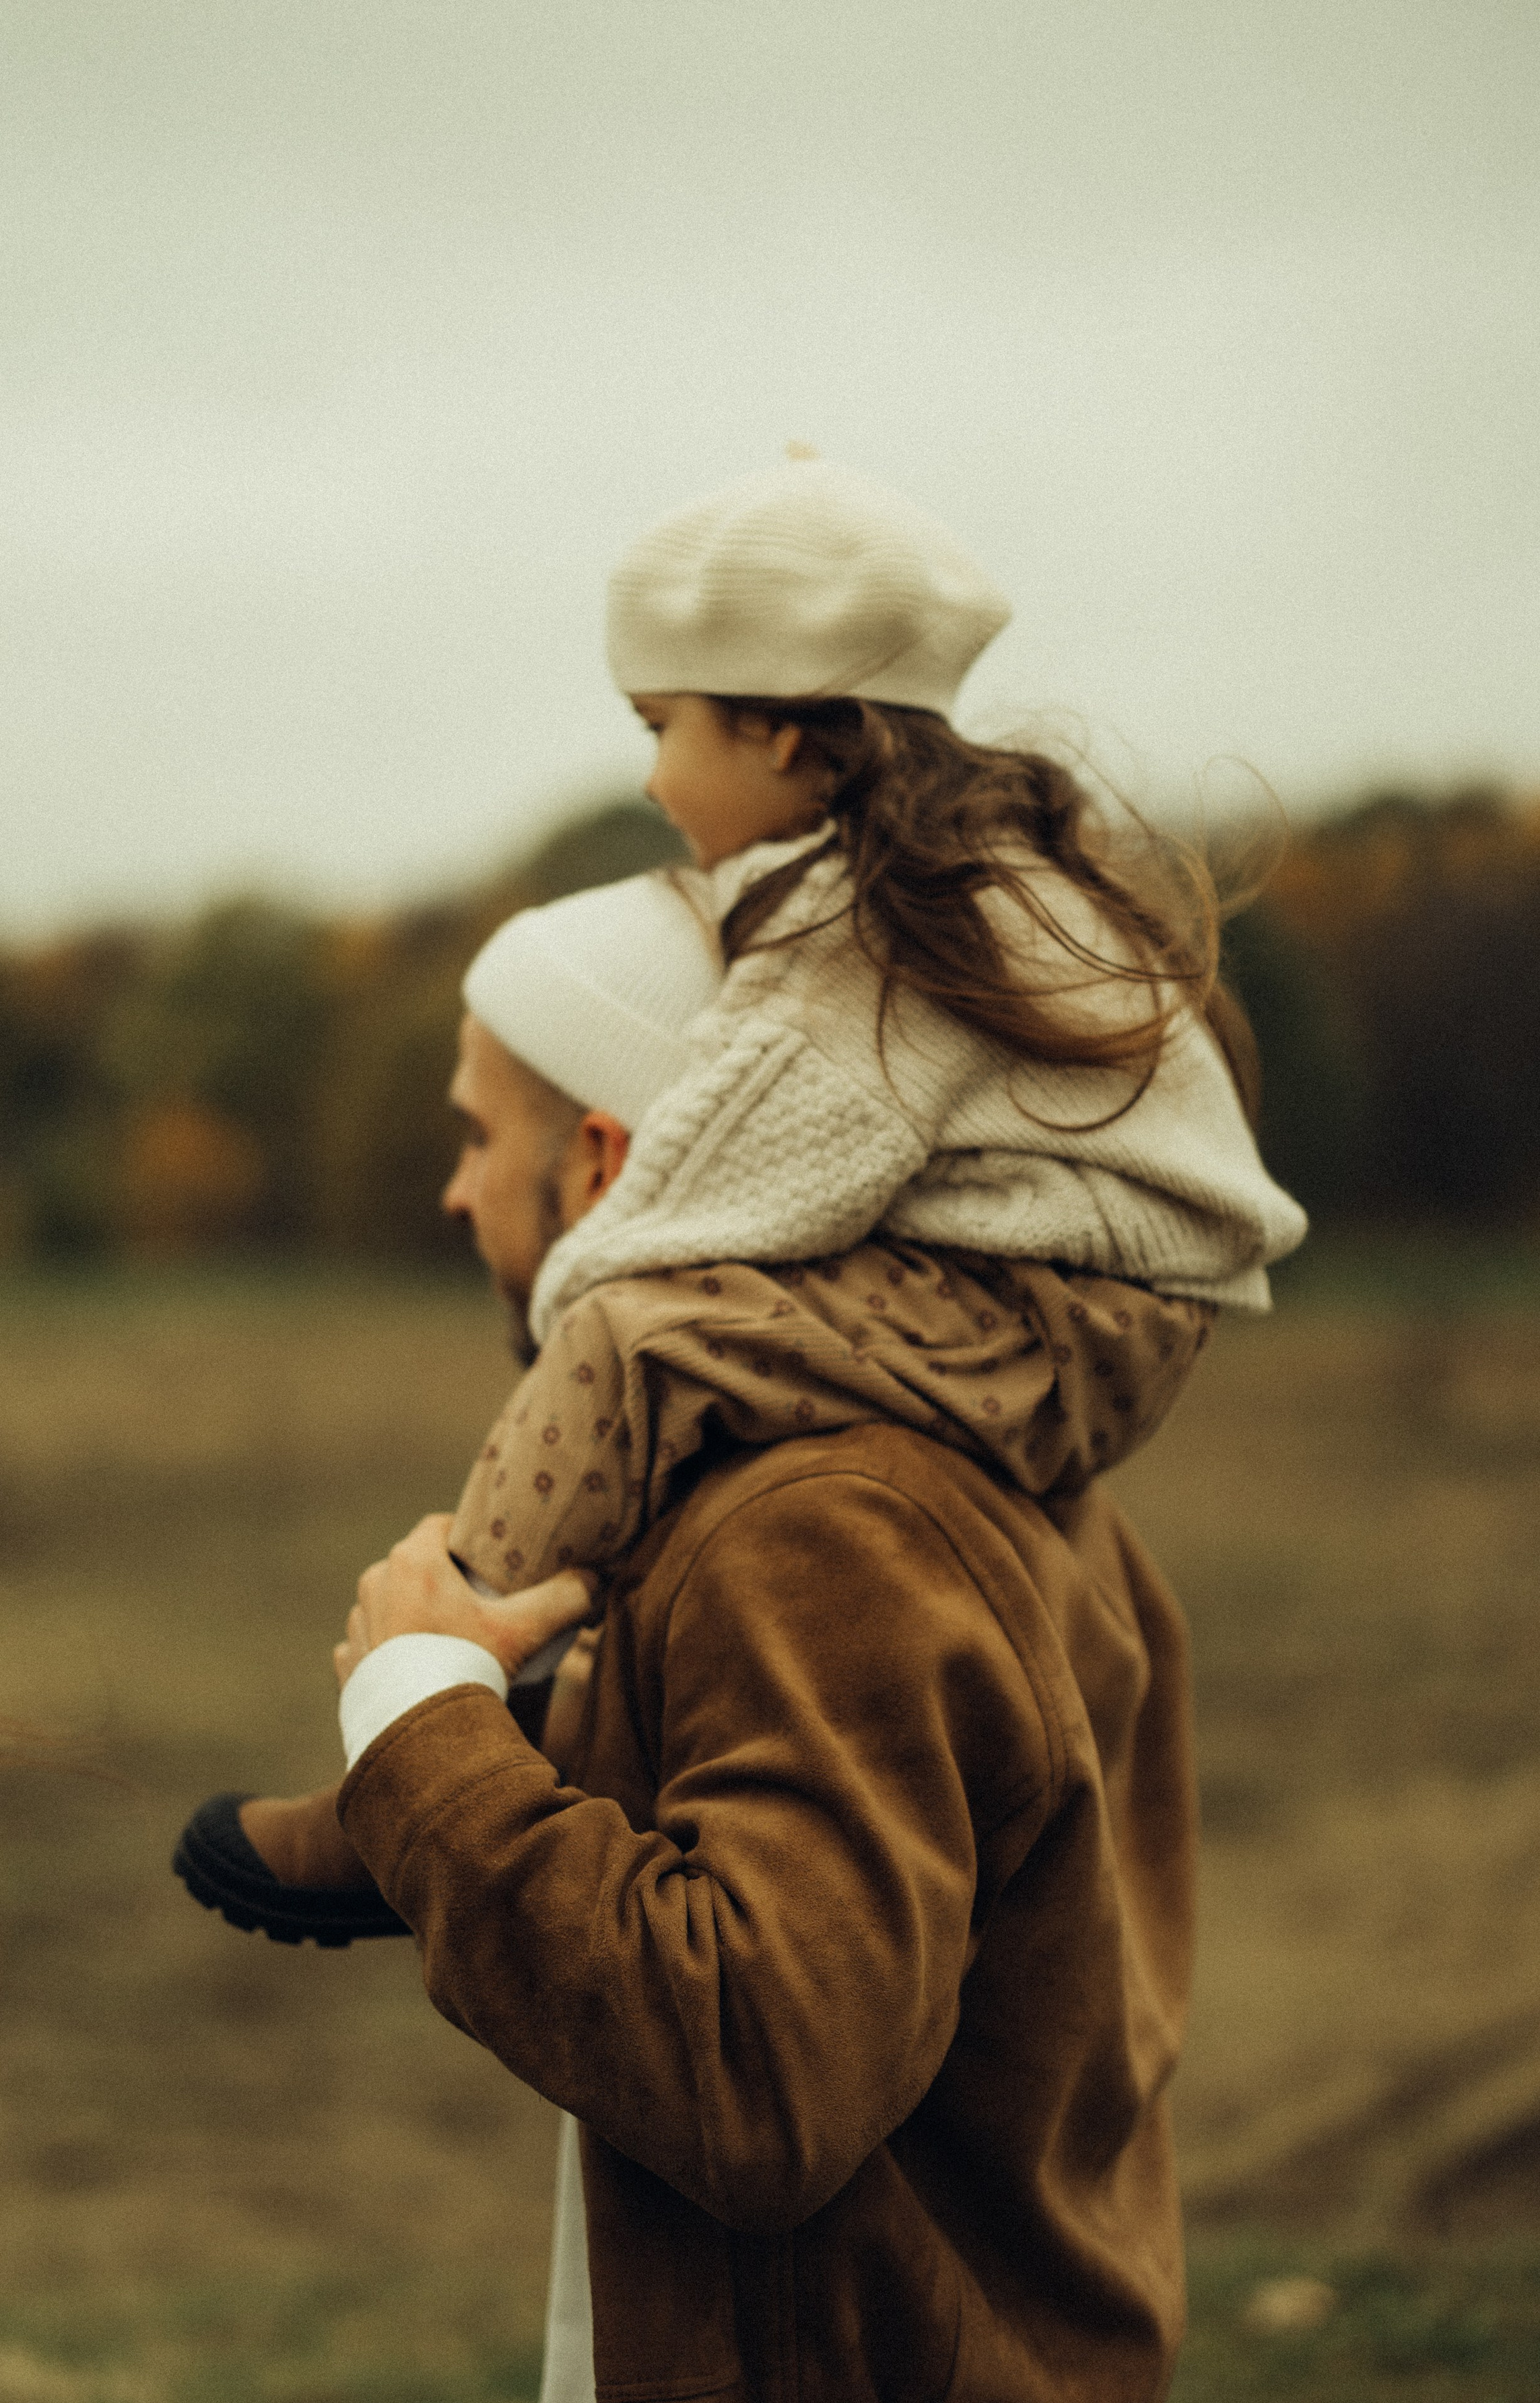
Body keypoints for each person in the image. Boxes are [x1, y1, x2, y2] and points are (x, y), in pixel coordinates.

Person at [177, 456, 1300, 1909]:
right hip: (1087, 1313)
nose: (647, 779)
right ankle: (546, 1693)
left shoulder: (871, 937)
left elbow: (721, 1182)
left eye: (659, 728)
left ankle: (424, 1712)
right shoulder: (948, 876)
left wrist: (589, 1307)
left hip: (1049, 1314)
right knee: (678, 1346)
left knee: (639, 1342)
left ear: (778, 730)